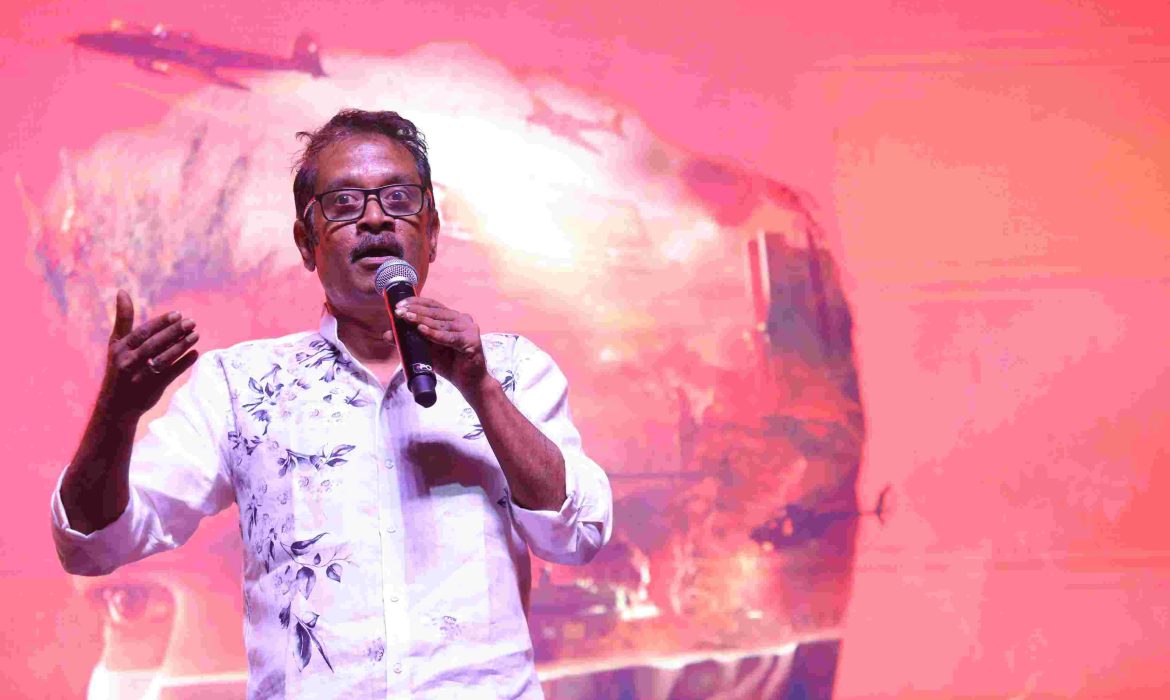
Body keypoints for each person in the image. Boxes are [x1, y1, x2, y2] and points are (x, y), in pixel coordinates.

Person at [51, 108, 614, 699]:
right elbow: (94, 544)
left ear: (431, 233)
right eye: (345, 203)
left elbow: (577, 536)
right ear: (306, 243)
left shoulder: (514, 370)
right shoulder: (238, 386)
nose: (375, 217)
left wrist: (480, 388)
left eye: (399, 198)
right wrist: (115, 416)